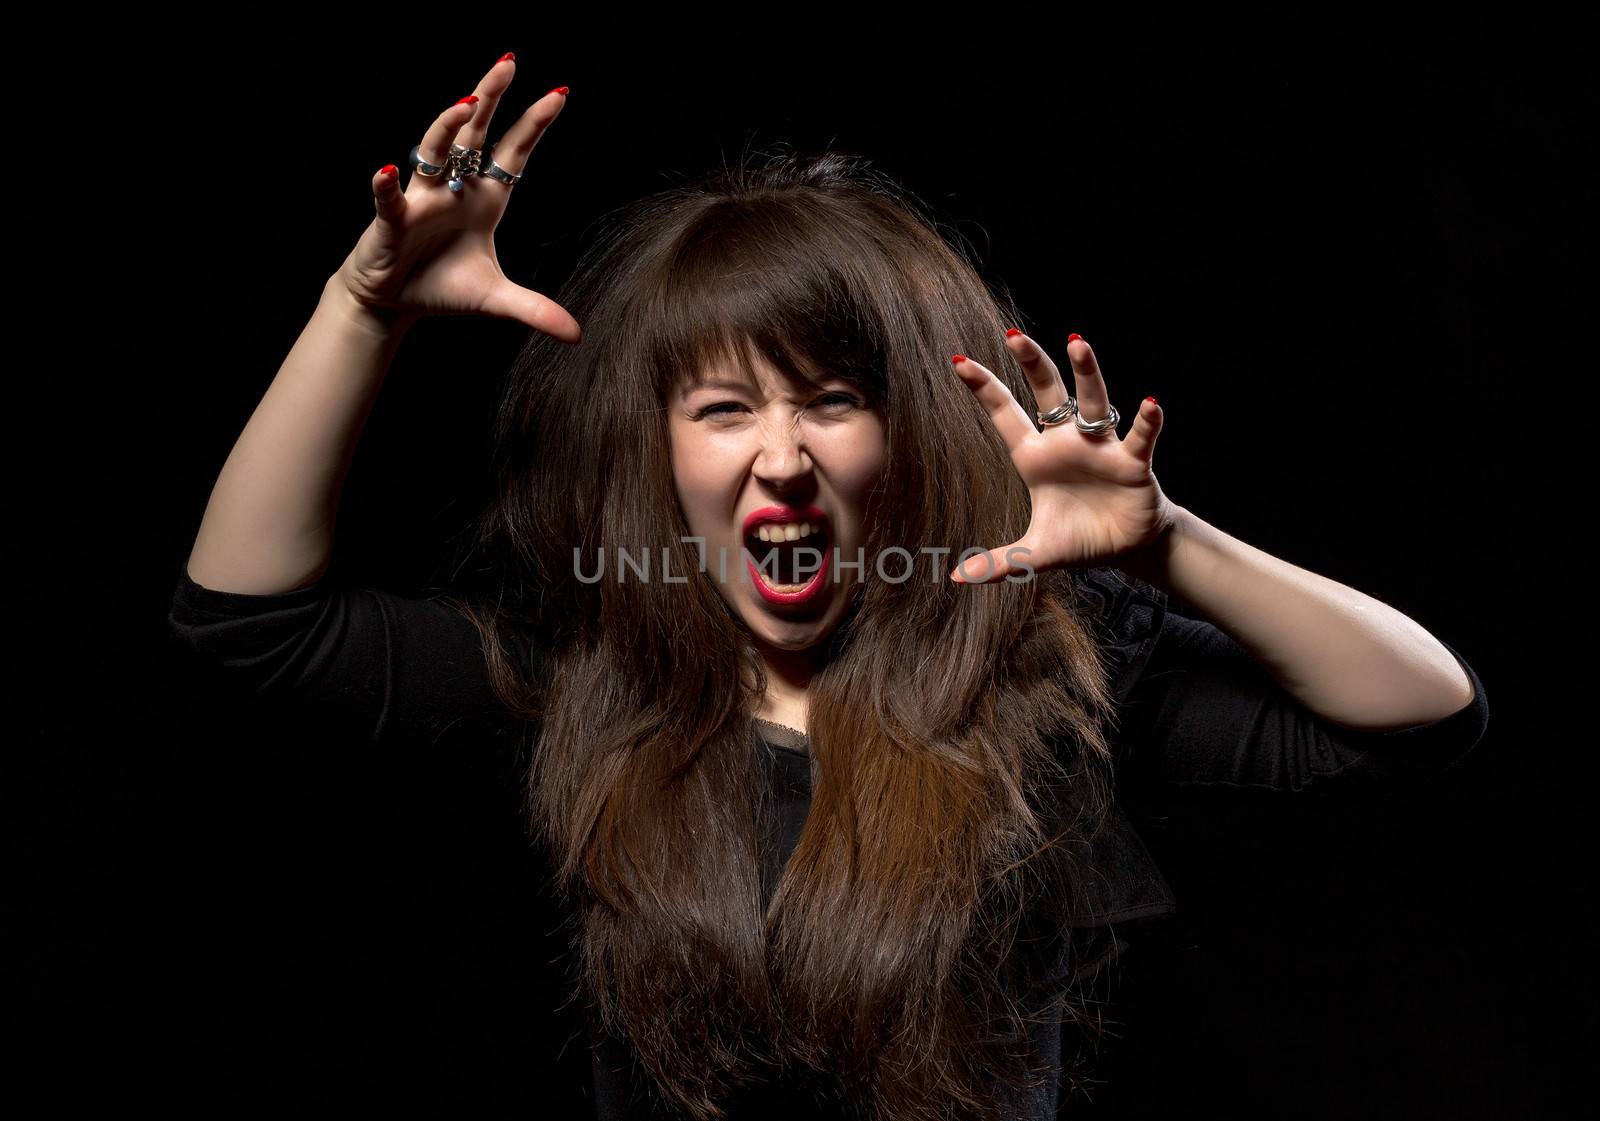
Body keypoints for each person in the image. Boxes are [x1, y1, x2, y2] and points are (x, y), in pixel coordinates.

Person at [166, 53, 1490, 1121]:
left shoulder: (1036, 680)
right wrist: (364, 303)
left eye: (834, 400)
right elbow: (246, 619)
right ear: (661, 451)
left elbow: (1427, 708)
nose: (784, 458)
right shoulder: (586, 676)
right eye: (726, 406)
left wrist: (1165, 541)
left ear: (906, 436)